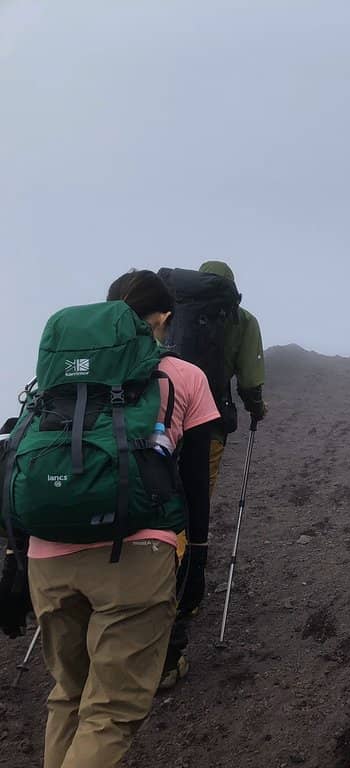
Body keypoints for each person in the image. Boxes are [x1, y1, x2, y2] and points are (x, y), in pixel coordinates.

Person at [0, 269, 220, 767]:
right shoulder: (183, 376)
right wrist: (198, 558)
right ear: (162, 317)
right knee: (111, 713)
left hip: (47, 553)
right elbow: (193, 484)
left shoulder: (58, 379)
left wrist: (15, 557)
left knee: (69, 695)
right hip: (136, 556)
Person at [158, 260, 268, 690]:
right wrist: (256, 407)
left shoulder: (171, 307)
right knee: (191, 502)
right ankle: (181, 594)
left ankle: (147, 581)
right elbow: (251, 376)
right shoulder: (240, 318)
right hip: (210, 424)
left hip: (156, 423)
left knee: (160, 501)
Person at [196, 261, 268, 496]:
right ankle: (189, 532)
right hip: (210, 418)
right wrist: (257, 408)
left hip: (164, 417)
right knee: (198, 492)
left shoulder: (176, 311)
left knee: (163, 487)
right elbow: (249, 381)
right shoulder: (243, 320)